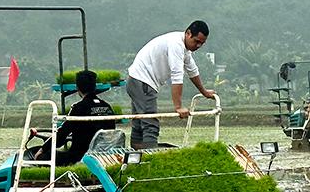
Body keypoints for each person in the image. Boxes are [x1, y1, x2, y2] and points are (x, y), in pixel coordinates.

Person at [126, 21, 216, 149]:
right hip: (143, 82)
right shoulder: (176, 44)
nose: (198, 45)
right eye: (196, 41)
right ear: (188, 33)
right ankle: (149, 156)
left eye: (202, 43)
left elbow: (192, 70)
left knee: (139, 120)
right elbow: (177, 75)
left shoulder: (184, 48)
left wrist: (204, 92)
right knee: (150, 124)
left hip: (136, 80)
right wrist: (178, 107)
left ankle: (136, 152)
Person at [36, 70, 116, 165]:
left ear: (78, 87)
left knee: (43, 157)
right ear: (95, 87)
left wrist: (43, 149)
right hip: (104, 156)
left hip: (79, 157)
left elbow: (62, 135)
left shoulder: (79, 108)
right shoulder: (107, 107)